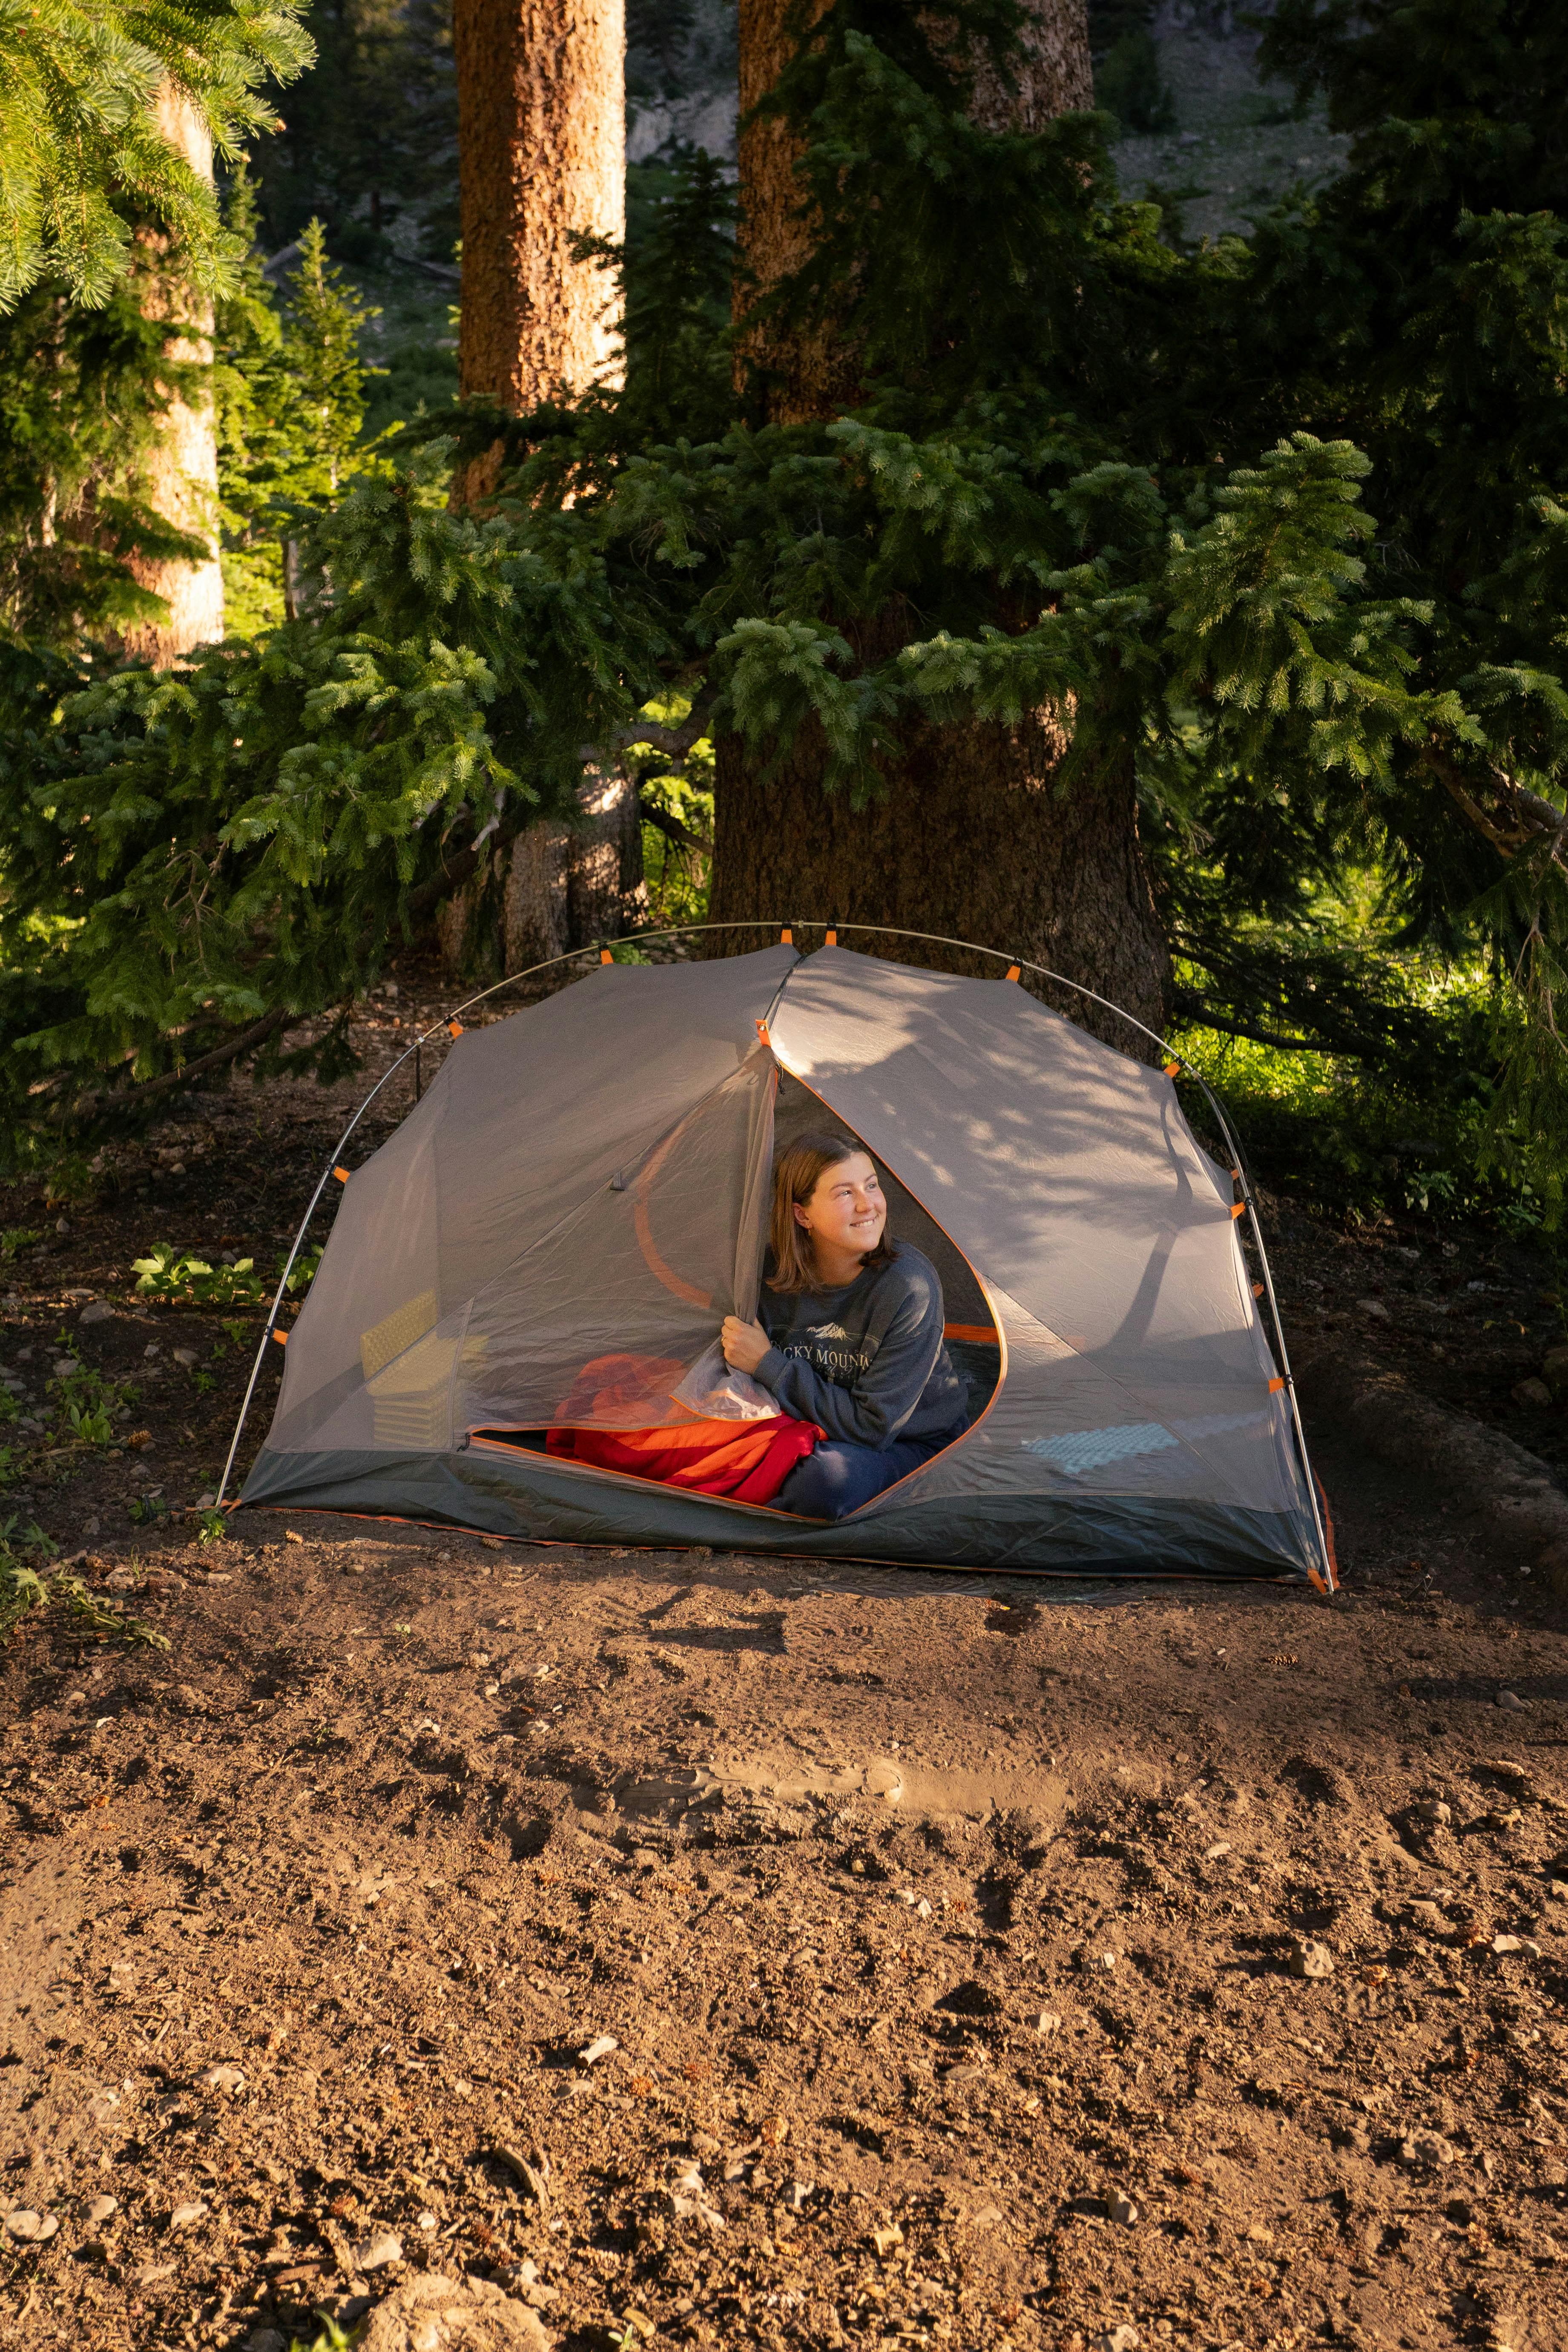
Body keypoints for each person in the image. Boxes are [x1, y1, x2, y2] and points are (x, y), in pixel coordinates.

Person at [720, 1130, 969, 1519]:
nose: (868, 1205)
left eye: (871, 1185)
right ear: (802, 1214)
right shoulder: (764, 1276)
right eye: (845, 1193)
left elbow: (874, 1427)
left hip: (905, 1442)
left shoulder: (908, 1285)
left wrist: (768, 1363)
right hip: (805, 1429)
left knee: (826, 1480)